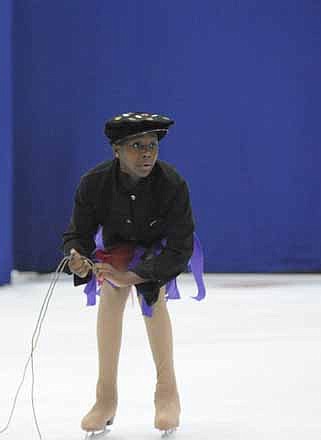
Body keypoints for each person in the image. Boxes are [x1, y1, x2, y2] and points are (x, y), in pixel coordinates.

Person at [62, 112, 203, 436]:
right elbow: (77, 233)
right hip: (117, 247)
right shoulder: (94, 183)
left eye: (152, 146)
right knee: (111, 295)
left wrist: (138, 276)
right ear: (116, 150)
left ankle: (167, 394)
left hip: (159, 248)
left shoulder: (172, 184)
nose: (146, 154)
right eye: (137, 146)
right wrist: (77, 257)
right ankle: (105, 399)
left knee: (153, 299)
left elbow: (180, 247)